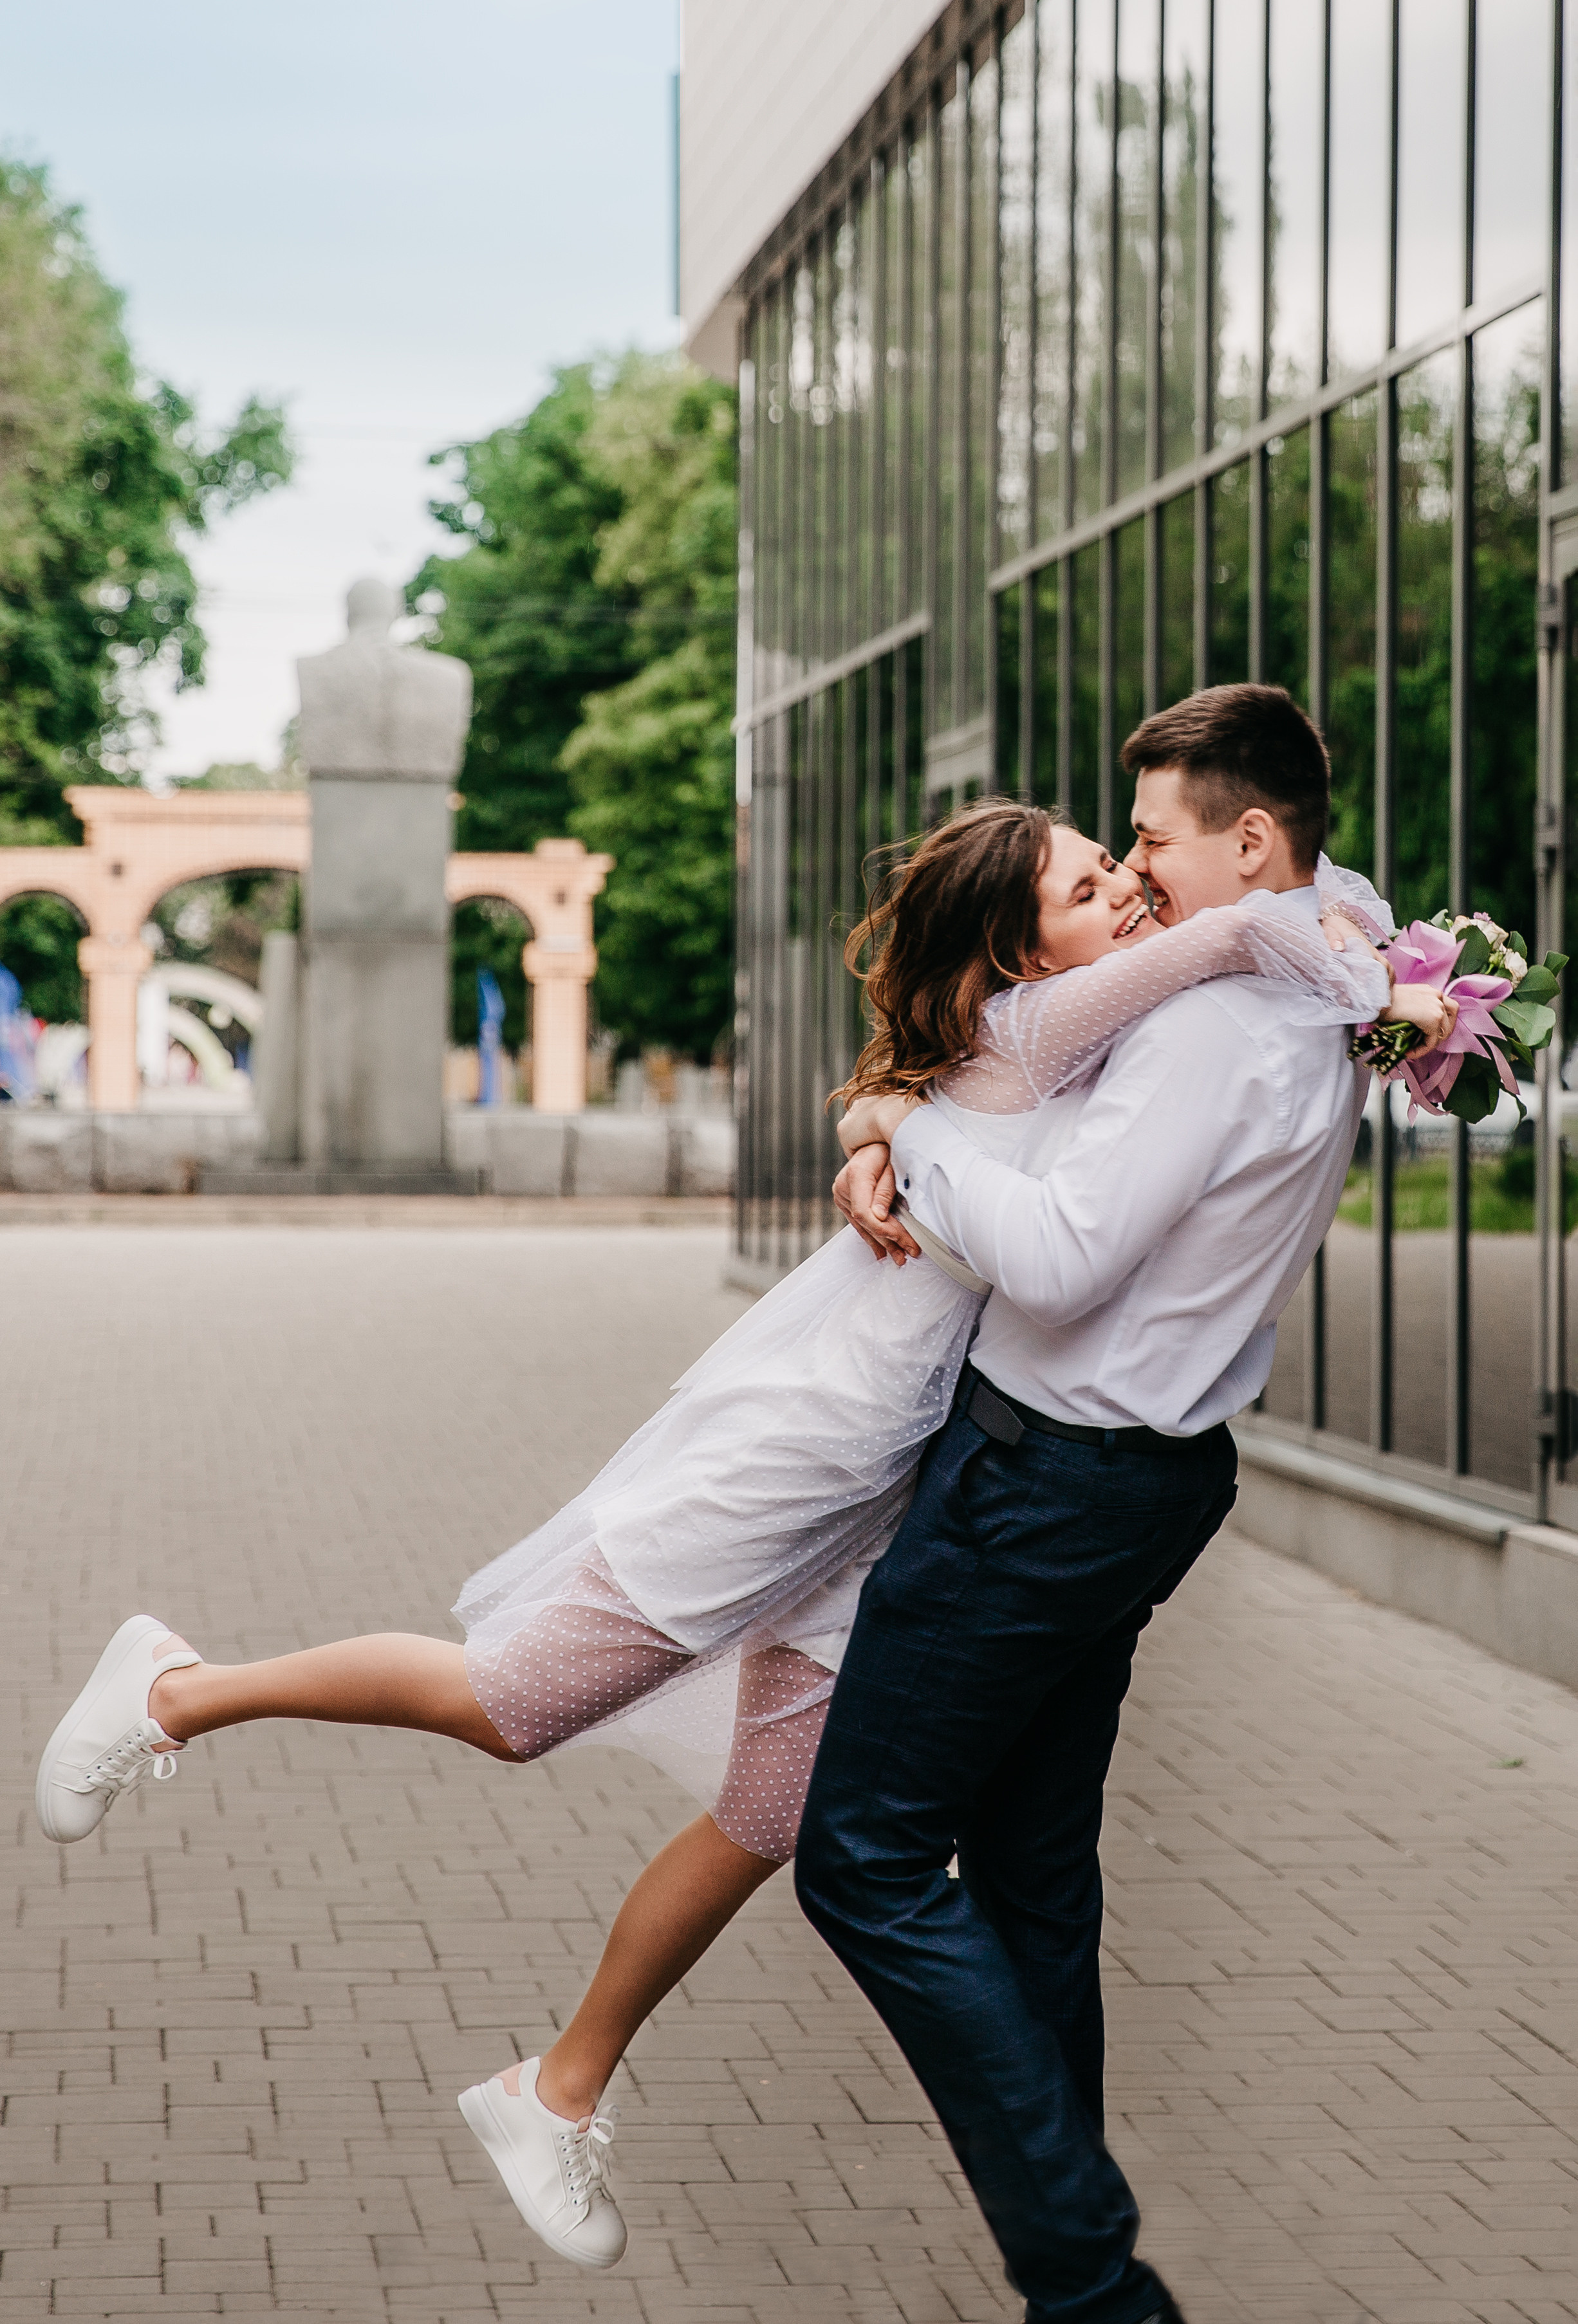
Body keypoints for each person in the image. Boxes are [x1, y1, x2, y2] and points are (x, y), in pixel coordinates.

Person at [33, 779, 1442, 2282]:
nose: (1130, 899)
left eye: (1123, 868)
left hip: (898, 1488)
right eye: (1094, 886)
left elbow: (1129, 997)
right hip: (800, 1452)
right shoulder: (1044, 1027)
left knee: (777, 1814)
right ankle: (178, 1687)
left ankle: (552, 2089)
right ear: (1019, 956)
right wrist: (1369, 950)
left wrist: (880, 1121)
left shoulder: (1071, 1031)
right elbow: (1228, 945)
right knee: (515, 1706)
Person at [797, 684, 1398, 2324]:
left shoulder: (1214, 1025)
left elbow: (1058, 1259)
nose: (1132, 874)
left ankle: (1086, 2274)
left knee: (858, 1859)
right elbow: (1354, 911)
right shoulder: (1331, 951)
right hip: (1143, 1480)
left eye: (1150, 837)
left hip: (1041, 1480)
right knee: (1033, 1874)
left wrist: (901, 1133)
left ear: (1249, 837)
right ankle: (1075, 2267)